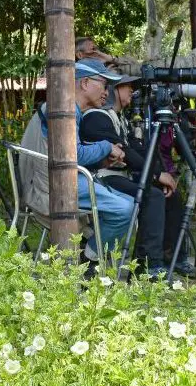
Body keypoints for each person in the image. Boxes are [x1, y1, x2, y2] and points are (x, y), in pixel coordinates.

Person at [19, 58, 134, 270]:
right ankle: (90, 260)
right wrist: (107, 147)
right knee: (124, 209)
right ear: (84, 83)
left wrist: (102, 154)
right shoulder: (65, 110)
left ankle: (87, 249)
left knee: (128, 200)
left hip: (55, 179)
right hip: (52, 187)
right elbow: (73, 156)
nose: (107, 92)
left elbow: (69, 154)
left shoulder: (67, 107)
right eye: (104, 84)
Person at [79, 75, 196, 278]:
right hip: (102, 177)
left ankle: (173, 256)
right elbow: (125, 151)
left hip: (121, 175)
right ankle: (150, 263)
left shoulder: (121, 119)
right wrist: (156, 175)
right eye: (128, 89)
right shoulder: (95, 117)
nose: (132, 94)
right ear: (117, 89)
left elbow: (137, 151)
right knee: (153, 195)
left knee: (169, 195)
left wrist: (159, 176)